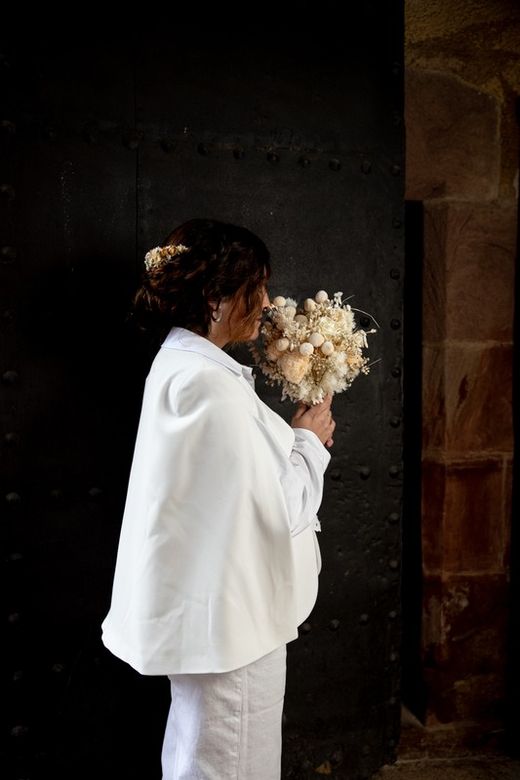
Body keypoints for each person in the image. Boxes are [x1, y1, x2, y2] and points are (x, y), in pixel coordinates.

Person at [101, 218, 335, 779]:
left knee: (199, 755)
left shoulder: (182, 363)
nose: (267, 303)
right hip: (235, 631)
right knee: (232, 760)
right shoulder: (207, 385)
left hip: (216, 619)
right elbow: (275, 511)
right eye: (257, 288)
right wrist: (308, 440)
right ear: (215, 296)